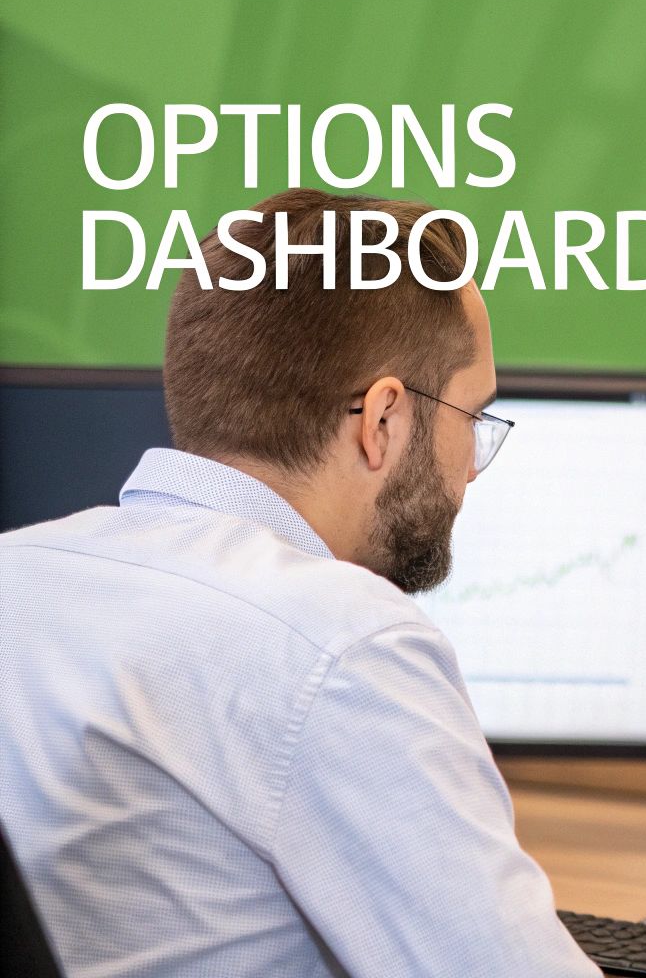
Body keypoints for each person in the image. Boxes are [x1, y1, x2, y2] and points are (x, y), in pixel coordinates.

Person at [0, 189, 599, 976]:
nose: (469, 472)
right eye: (472, 419)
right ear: (383, 419)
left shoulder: (20, 570)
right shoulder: (343, 641)